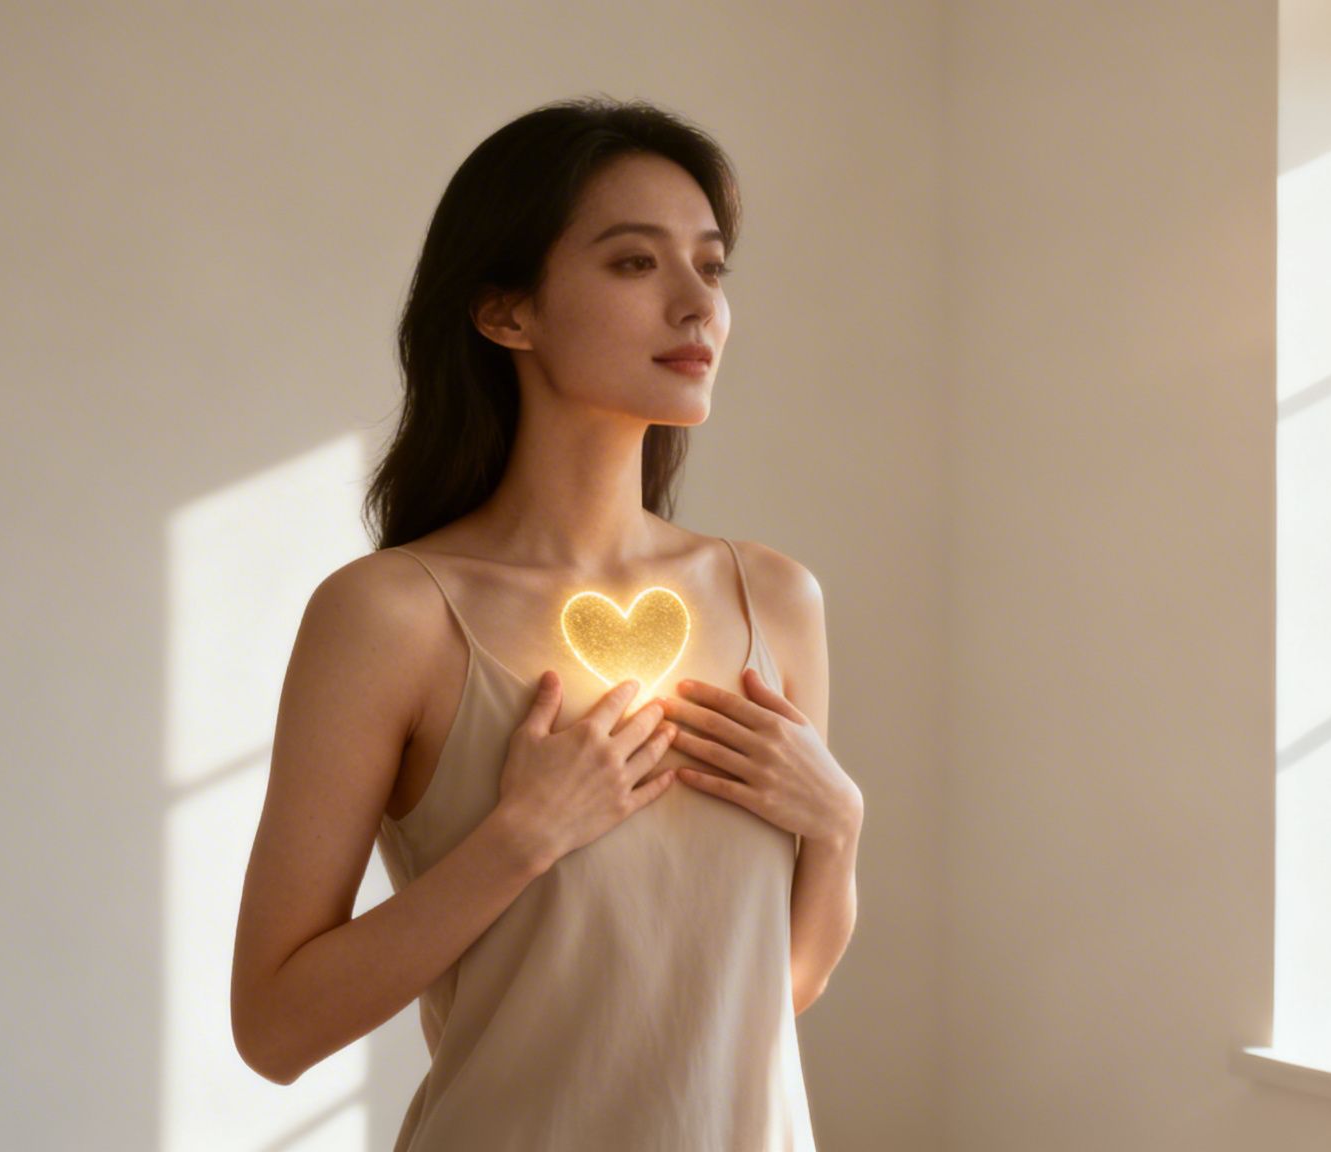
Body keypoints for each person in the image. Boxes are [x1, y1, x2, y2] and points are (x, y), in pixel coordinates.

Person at [230, 95, 863, 1151]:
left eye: (710, 267)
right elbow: (276, 1028)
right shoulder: (390, 617)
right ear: (505, 312)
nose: (694, 304)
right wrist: (517, 840)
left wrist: (836, 829)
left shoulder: (776, 600)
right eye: (633, 264)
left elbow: (772, 991)